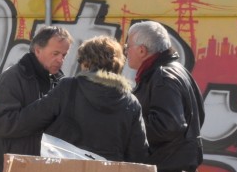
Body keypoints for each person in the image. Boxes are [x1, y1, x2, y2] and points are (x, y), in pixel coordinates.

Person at [9, 36, 148, 163]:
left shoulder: (69, 87)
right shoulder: (131, 102)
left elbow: (30, 119)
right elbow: (138, 153)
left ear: (86, 63)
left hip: (66, 171)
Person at [126, 20, 206, 172]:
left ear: (142, 50)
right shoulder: (175, 70)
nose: (126, 51)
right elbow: (198, 115)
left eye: (128, 46)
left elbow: (168, 125)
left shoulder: (162, 76)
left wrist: (128, 126)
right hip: (173, 170)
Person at [0, 25, 73, 172]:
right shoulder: (12, 78)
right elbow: (2, 124)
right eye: (55, 53)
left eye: (64, 55)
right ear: (37, 50)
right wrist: (46, 106)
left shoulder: (59, 82)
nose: (60, 60)